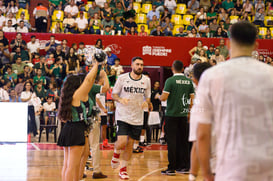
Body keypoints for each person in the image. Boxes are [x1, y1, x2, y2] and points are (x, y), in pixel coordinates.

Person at [193, 21, 273, 181]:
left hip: (230, 166)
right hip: (268, 166)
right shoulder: (271, 74)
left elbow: (202, 134)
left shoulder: (211, 76)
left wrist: (207, 173)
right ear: (256, 45)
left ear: (228, 43)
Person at [57, 59, 99, 181]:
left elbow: (88, 81)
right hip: (75, 129)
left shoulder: (71, 95)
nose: (84, 84)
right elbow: (89, 80)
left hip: (71, 128)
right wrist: (97, 64)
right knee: (72, 165)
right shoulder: (77, 95)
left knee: (67, 164)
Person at [111, 56, 152, 179]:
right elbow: (114, 94)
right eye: (138, 64)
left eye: (141, 65)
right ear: (132, 65)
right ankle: (116, 153)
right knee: (122, 141)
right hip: (123, 114)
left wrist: (147, 102)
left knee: (130, 144)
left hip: (137, 116)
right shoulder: (123, 78)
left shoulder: (146, 80)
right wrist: (120, 99)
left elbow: (147, 96)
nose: (140, 67)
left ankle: (123, 169)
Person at [158, 60, 195, 175]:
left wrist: (158, 96)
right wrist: (189, 113)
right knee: (183, 142)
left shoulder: (170, 81)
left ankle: (171, 168)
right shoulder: (189, 82)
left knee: (172, 142)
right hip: (184, 115)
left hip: (171, 115)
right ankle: (184, 167)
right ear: (183, 69)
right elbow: (192, 100)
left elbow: (164, 97)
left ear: (172, 69)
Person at [188, 62, 212, 181]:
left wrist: (193, 175)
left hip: (216, 168)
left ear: (195, 80)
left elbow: (198, 140)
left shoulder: (199, 105)